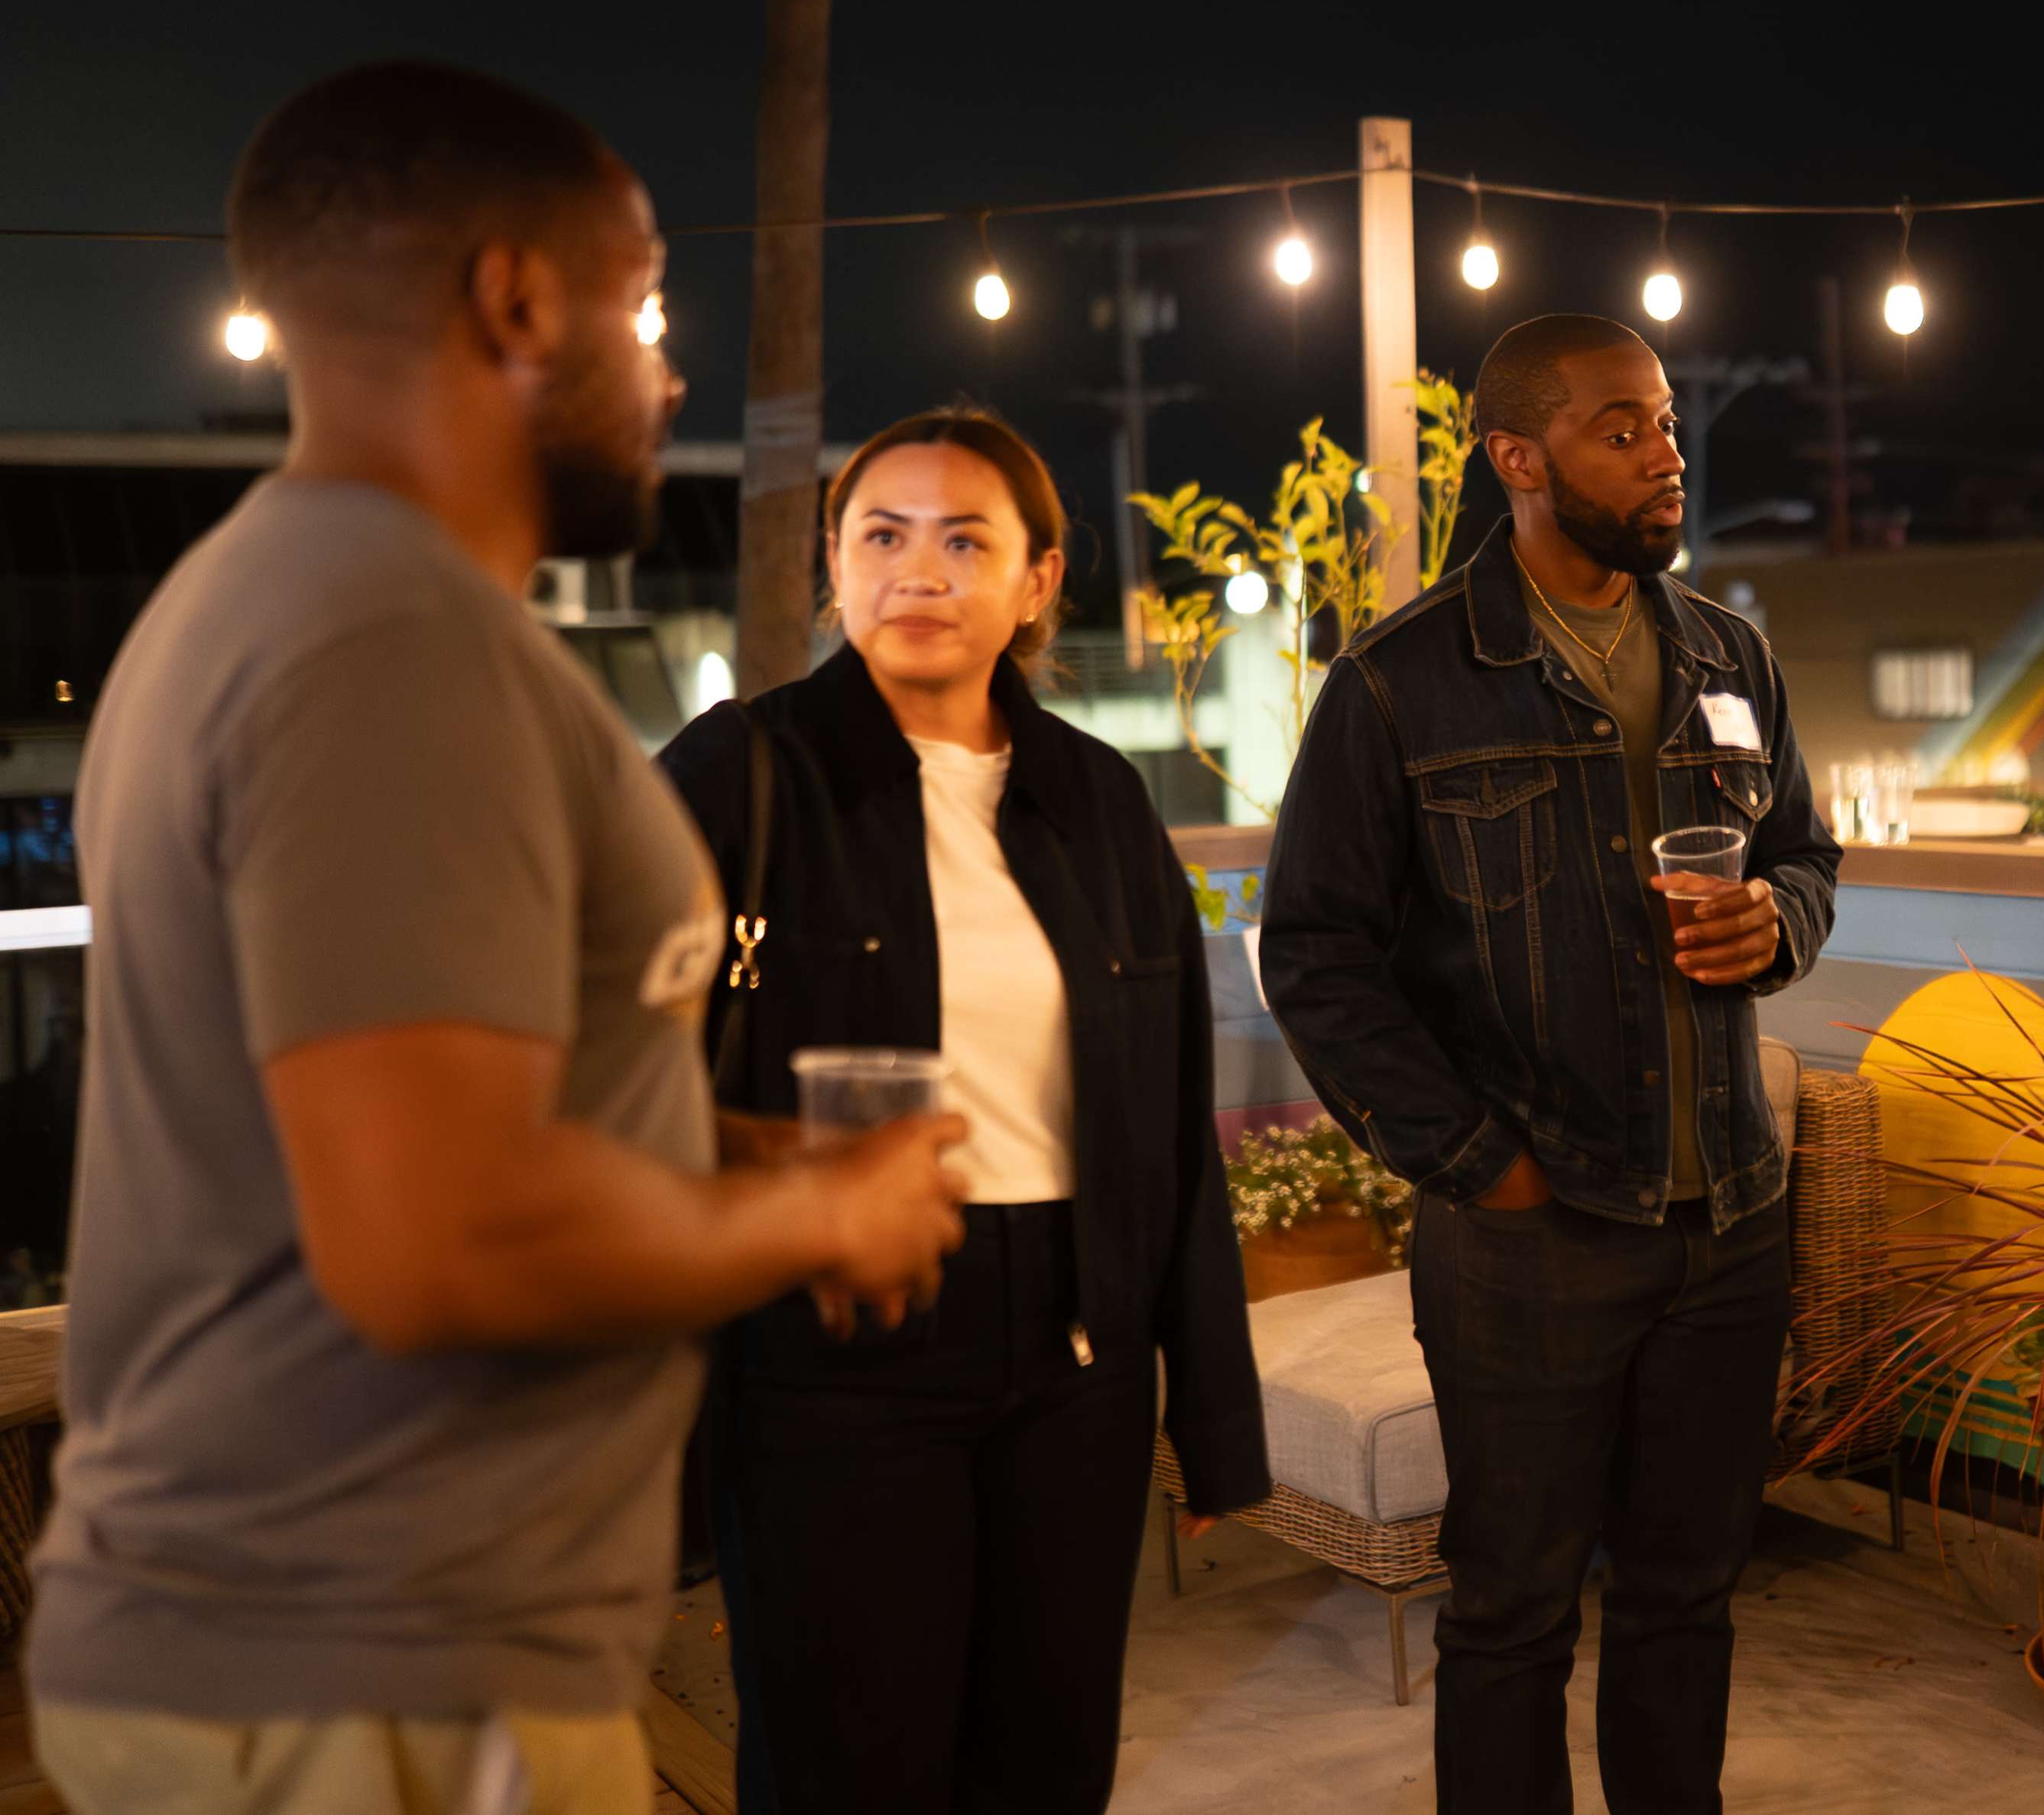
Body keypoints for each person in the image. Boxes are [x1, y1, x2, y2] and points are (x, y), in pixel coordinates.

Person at [25, 62, 968, 1815]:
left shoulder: (264, 599)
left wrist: (740, 1148)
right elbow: (431, 1236)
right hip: (369, 1671)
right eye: (650, 300)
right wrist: (817, 1205)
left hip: (313, 1653)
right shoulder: (389, 636)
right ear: (519, 298)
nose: (669, 366)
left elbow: (422, 1127)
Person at [1262, 313, 1842, 1813]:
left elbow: (1806, 853)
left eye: (1664, 423)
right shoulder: (1400, 684)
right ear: (1517, 458)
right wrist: (1476, 1162)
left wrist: (1774, 919)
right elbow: (1316, 949)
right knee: (1510, 1611)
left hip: (1728, 1218)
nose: (1666, 457)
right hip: (1530, 1231)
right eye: (1620, 429)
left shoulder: (1732, 652)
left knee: (1686, 1594)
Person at [658, 407, 1270, 1813]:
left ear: (1039, 581)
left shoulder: (1101, 801)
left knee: (1049, 1762)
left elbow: (1170, 1130)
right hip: (831, 1354)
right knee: (848, 1768)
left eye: (962, 539)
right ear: (834, 563)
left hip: (1077, 1362)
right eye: (882, 536)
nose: (917, 571)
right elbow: (608, 1060)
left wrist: (1216, 1424)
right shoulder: (739, 774)